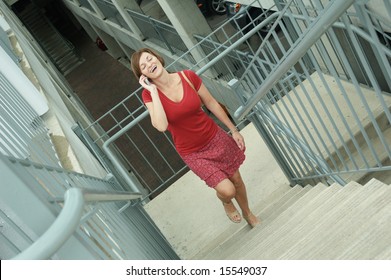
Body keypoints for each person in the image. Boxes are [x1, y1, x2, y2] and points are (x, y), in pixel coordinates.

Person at [131, 48, 260, 227]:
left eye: (149, 59)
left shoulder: (187, 77)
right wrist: (153, 91)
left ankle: (248, 214)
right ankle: (226, 201)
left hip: (215, 137)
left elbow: (211, 103)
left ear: (157, 58)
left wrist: (233, 129)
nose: (149, 65)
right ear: (142, 75)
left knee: (236, 179)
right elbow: (161, 126)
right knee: (227, 190)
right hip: (193, 152)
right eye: (143, 66)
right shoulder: (148, 95)